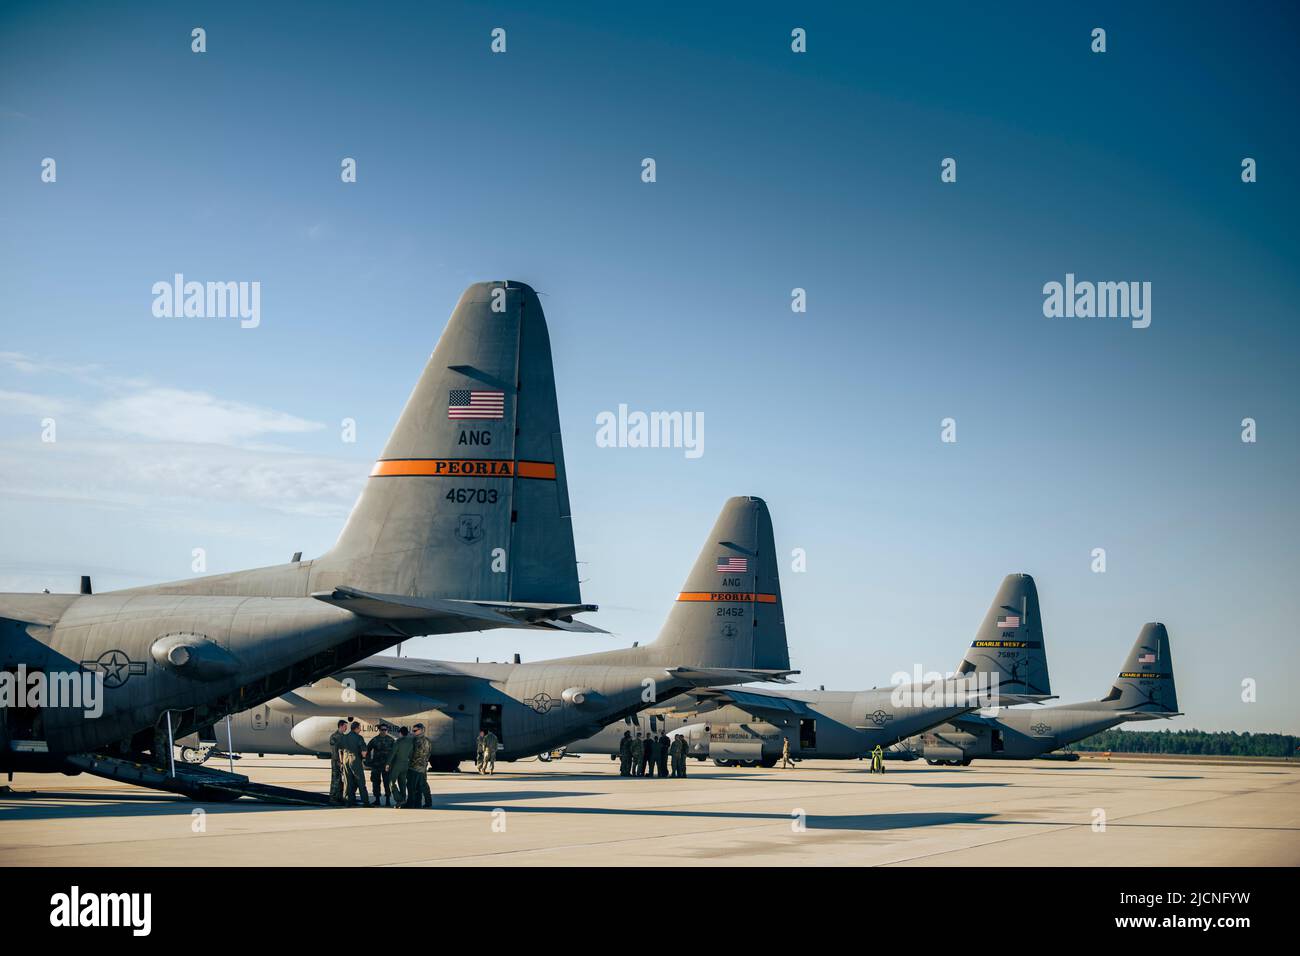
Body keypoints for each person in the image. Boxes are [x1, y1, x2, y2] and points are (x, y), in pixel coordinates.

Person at [340, 721, 371, 806]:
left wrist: (342, 761)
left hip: (345, 759)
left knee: (347, 781)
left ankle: (348, 801)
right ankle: (365, 802)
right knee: (360, 781)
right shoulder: (359, 738)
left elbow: (340, 749)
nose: (360, 730)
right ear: (356, 728)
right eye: (359, 728)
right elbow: (364, 751)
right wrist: (364, 758)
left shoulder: (345, 737)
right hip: (355, 760)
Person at [367, 723, 396, 806]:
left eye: (385, 730)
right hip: (376, 765)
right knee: (375, 782)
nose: (384, 731)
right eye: (382, 729)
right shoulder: (374, 740)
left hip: (386, 766)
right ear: (379, 730)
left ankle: (388, 800)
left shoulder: (391, 740)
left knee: (387, 782)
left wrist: (393, 763)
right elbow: (368, 749)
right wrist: (369, 761)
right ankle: (377, 799)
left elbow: (395, 752)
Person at [386, 726, 413, 808]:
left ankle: (399, 799)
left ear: (400, 733)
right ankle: (403, 801)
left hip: (397, 764)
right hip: (405, 765)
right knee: (402, 783)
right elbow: (411, 754)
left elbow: (392, 753)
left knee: (392, 782)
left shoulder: (398, 741)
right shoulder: (410, 742)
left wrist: (387, 764)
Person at [407, 723, 433, 808]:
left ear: (421, 730)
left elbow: (412, 753)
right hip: (423, 766)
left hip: (414, 767)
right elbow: (429, 753)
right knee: (422, 785)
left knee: (412, 785)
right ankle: (426, 802)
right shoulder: (428, 740)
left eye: (415, 730)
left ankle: (412, 803)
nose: (413, 732)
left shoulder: (415, 740)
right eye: (413, 731)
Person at [327, 719, 348, 805]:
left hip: (343, 761)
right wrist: (339, 762)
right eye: (345, 726)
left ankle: (339, 797)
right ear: (341, 726)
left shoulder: (344, 737)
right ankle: (333, 798)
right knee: (335, 780)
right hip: (336, 762)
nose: (346, 728)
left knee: (341, 781)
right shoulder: (334, 737)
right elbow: (335, 751)